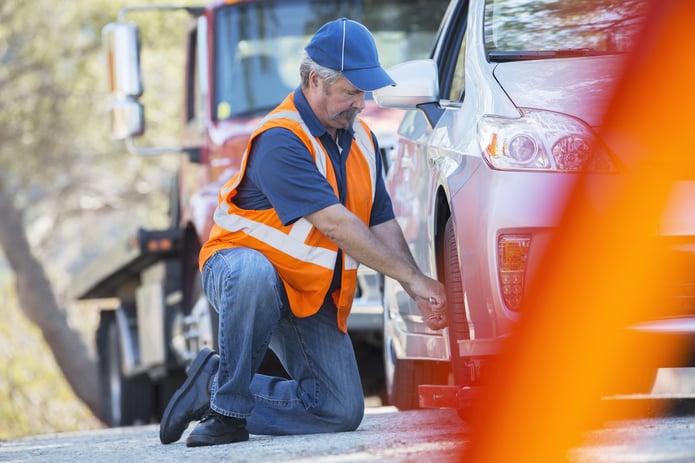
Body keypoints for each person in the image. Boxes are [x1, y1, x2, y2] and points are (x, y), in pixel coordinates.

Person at [159, 17, 447, 448]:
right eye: (351, 92)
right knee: (255, 274)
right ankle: (228, 411)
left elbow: (380, 221)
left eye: (364, 92)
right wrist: (413, 278)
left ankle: (213, 383)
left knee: (338, 409)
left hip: (307, 292)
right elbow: (335, 223)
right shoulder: (282, 139)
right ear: (315, 81)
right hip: (241, 274)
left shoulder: (363, 139)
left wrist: (418, 288)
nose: (361, 104)